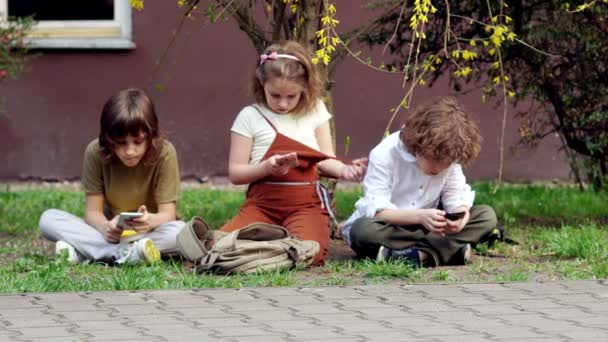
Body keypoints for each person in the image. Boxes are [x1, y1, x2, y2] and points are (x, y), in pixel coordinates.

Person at [220, 41, 368, 266]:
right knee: (219, 244)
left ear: (305, 89)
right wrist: (267, 167)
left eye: (291, 96)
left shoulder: (315, 109)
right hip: (262, 205)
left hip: (305, 205)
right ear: (262, 84)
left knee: (313, 252)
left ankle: (264, 250)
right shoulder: (250, 116)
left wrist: (346, 171)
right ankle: (275, 249)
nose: (282, 103)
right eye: (275, 95)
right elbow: (236, 173)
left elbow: (325, 159)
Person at [342, 97, 498, 267]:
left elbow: (455, 197)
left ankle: (412, 256)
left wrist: (461, 218)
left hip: (432, 227)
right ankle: (448, 251)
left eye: (447, 164)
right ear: (420, 145)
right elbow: (378, 211)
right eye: (435, 161)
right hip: (393, 226)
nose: (440, 169)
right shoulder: (384, 154)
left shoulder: (450, 156)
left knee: (486, 216)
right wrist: (420, 217)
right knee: (362, 231)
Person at [39, 88, 183, 265]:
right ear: (109, 140)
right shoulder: (95, 152)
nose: (130, 151)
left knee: (179, 232)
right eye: (121, 143)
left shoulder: (165, 153)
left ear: (150, 137)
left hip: (149, 232)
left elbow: (167, 215)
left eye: (137, 142)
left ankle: (85, 252)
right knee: (48, 218)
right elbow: (93, 213)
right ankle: (128, 254)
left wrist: (149, 221)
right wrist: (106, 227)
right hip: (110, 235)